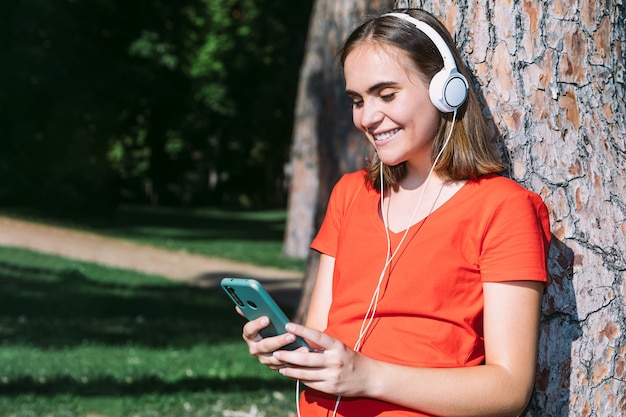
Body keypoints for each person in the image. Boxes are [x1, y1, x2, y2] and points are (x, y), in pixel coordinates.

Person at [241, 8, 551, 417]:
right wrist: (288, 349)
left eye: (386, 95)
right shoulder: (351, 193)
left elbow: (509, 390)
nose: (367, 117)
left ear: (446, 90)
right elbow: (321, 336)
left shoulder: (502, 207)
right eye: (357, 100)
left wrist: (366, 376)